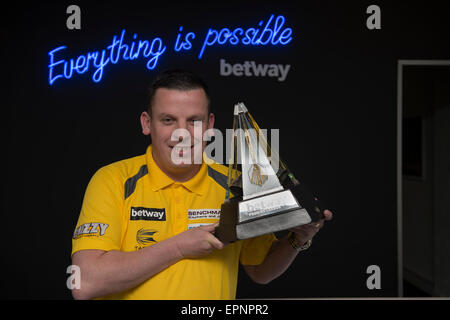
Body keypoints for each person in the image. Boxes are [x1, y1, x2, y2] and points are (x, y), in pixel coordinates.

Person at [71, 69, 333, 300]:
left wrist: (296, 240)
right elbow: (85, 283)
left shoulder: (234, 185)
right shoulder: (113, 180)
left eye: (194, 121)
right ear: (146, 123)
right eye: (168, 120)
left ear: (209, 125)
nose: (182, 133)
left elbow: (260, 270)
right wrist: (180, 246)